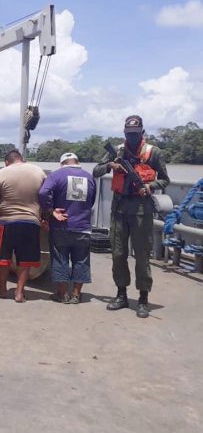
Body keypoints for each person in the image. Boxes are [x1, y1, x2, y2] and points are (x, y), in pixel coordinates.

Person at [93, 115, 169, 318]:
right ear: (124, 133)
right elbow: (96, 171)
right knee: (118, 254)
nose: (132, 137)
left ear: (142, 133)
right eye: (128, 134)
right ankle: (121, 295)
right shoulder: (117, 151)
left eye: (135, 134)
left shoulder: (153, 152)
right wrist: (111, 166)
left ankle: (143, 298)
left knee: (142, 255)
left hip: (142, 211)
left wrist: (149, 186)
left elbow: (164, 179)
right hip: (119, 209)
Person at [39, 153, 96, 304]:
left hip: (61, 226)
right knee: (81, 260)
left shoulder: (56, 175)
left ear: (62, 163)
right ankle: (76, 295)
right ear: (77, 162)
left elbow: (43, 192)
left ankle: (62, 294)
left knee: (60, 259)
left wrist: (51, 211)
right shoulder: (89, 177)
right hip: (83, 226)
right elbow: (92, 200)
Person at [0, 149, 47, 303]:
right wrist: (45, 216)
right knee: (25, 260)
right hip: (31, 222)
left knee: (3, 259)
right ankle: (19, 293)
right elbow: (45, 195)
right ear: (22, 159)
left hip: (7, 221)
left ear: (6, 162)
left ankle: (2, 290)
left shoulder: (0, 174)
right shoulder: (39, 172)